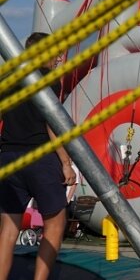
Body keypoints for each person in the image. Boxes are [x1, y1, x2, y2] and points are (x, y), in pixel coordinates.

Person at [0, 32, 76, 280]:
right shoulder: (48, 80)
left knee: (8, 229)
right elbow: (51, 125)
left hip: (9, 157)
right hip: (39, 158)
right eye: (54, 53)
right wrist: (66, 163)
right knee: (55, 223)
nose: (57, 59)